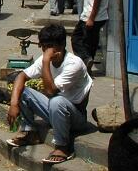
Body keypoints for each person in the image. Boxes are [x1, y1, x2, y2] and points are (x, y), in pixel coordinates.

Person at [6, 24, 92, 165]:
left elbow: (50, 91)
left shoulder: (74, 64)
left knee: (56, 101)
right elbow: (21, 76)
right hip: (54, 111)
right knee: (22, 91)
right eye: (44, 47)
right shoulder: (45, 59)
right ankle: (30, 132)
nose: (47, 51)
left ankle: (63, 147)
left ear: (62, 44)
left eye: (50, 46)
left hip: (76, 117)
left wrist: (46, 61)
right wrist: (14, 103)